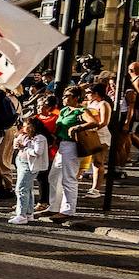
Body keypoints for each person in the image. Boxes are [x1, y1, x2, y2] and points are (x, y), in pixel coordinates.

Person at [51, 86, 95, 221]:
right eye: (64, 95)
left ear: (76, 98)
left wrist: (78, 127)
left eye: (67, 95)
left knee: (69, 178)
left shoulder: (81, 111)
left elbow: (94, 122)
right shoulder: (64, 110)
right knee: (53, 176)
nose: (64, 98)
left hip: (72, 145)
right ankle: (54, 206)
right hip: (61, 145)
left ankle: (68, 210)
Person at [9, 116, 48, 226]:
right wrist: (18, 142)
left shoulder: (40, 138)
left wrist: (25, 148)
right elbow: (16, 145)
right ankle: (29, 213)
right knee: (28, 189)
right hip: (21, 163)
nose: (23, 127)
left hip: (29, 166)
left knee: (20, 189)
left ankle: (21, 215)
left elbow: (37, 152)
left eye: (25, 126)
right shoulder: (25, 136)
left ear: (32, 127)